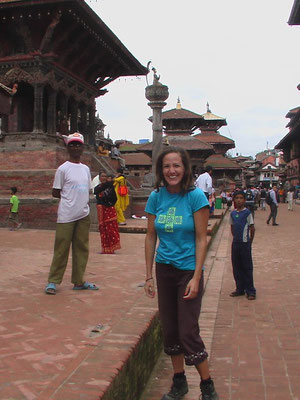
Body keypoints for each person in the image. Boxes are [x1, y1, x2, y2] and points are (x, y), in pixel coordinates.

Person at [144, 147, 219, 400]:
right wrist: (148, 275)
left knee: (188, 330)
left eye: (176, 165)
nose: (171, 171)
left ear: (185, 169)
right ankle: (179, 383)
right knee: (170, 328)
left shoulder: (195, 197)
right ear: (160, 170)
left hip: (188, 269)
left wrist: (197, 277)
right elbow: (150, 236)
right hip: (164, 268)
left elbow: (201, 238)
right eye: (166, 166)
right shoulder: (156, 197)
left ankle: (207, 387)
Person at [45, 132, 99, 295]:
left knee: (82, 248)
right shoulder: (63, 169)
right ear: (67, 148)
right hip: (67, 215)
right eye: (72, 145)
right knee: (61, 248)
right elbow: (56, 192)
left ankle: (79, 280)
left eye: (78, 145)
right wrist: (70, 200)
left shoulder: (85, 169)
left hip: (83, 214)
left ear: (82, 148)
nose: (75, 147)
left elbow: (87, 189)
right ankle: (53, 281)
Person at [230, 190, 256, 300]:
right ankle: (239, 288)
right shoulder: (233, 213)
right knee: (236, 267)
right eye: (237, 198)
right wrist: (235, 237)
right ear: (234, 200)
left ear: (244, 200)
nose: (239, 200)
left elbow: (252, 228)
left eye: (241, 198)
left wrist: (250, 241)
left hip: (245, 244)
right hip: (236, 243)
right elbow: (232, 227)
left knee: (247, 267)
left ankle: (250, 290)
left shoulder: (247, 213)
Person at [94, 170, 120, 254]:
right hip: (101, 210)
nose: (104, 178)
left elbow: (114, 198)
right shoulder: (97, 188)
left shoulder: (110, 186)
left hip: (109, 209)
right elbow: (98, 197)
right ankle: (104, 248)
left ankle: (111, 248)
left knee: (111, 228)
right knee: (103, 228)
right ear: (99, 177)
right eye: (102, 176)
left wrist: (109, 204)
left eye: (105, 176)